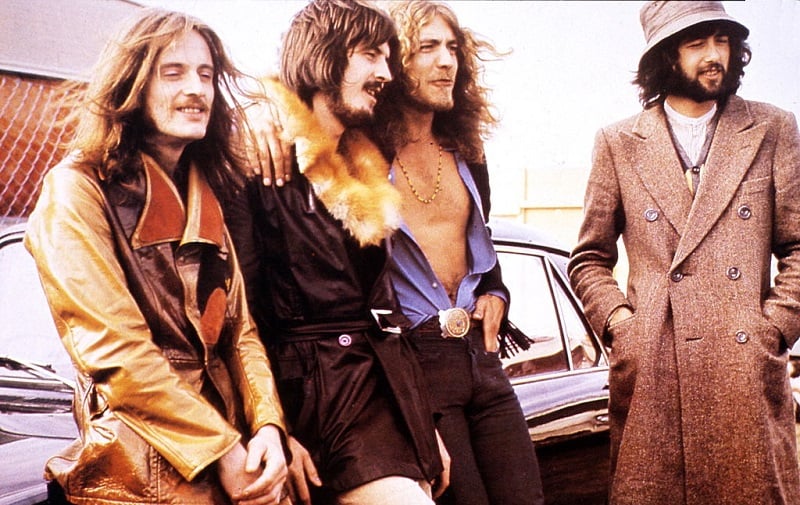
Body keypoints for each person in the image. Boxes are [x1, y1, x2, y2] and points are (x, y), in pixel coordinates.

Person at [23, 8, 288, 505]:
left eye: (206, 75)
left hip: (236, 456)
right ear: (132, 85)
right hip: (138, 474)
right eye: (174, 73)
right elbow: (117, 353)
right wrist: (221, 449)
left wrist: (269, 428)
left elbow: (241, 335)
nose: (196, 89)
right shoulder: (77, 189)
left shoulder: (205, 191)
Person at [568, 2, 800, 504]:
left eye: (722, 41)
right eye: (696, 44)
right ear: (665, 57)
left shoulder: (773, 128)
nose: (714, 55)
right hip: (655, 371)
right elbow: (588, 258)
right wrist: (625, 327)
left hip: (744, 372)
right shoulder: (618, 142)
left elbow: (799, 245)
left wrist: (774, 327)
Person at [224, 1, 444, 504]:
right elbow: (241, 317)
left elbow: (384, 311)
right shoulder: (260, 157)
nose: (385, 73)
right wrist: (272, 428)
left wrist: (424, 430)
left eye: (387, 58)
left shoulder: (366, 167)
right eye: (369, 55)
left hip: (381, 405)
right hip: (316, 409)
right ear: (322, 58)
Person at [369, 2, 544, 504]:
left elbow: (481, 240)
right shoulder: (364, 155)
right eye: (427, 48)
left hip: (480, 356)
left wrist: (496, 291)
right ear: (393, 61)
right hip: (415, 360)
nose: (447, 61)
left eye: (452, 48)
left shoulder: (467, 150)